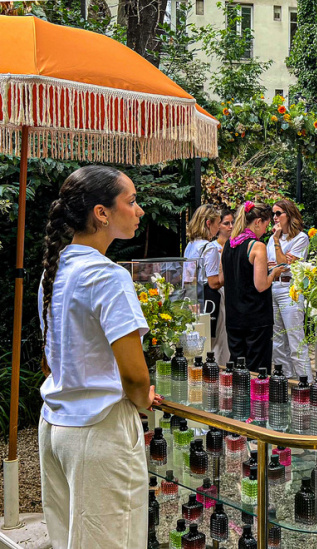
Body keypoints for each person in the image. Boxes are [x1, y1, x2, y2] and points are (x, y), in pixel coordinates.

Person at [38, 165, 162, 548]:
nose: (139, 210)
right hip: (99, 432)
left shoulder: (54, 271)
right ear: (101, 213)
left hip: (55, 427)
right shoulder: (108, 276)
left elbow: (50, 360)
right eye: (132, 201)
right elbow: (135, 376)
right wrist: (143, 399)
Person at [220, 201, 281, 373]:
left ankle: (237, 391)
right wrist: (273, 273)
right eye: (266, 225)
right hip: (256, 317)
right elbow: (261, 285)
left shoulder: (228, 245)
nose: (265, 231)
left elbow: (222, 278)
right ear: (257, 222)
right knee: (257, 370)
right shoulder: (257, 246)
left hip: (234, 317)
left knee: (237, 367)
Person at [266, 199, 311, 379]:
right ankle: (284, 380)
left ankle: (305, 382)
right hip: (273, 287)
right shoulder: (271, 239)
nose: (274, 217)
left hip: (290, 289)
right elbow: (272, 264)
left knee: (295, 339)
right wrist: (279, 262)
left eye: (278, 213)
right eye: (273, 214)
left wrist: (277, 244)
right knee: (277, 341)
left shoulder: (301, 238)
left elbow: (283, 265)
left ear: (289, 214)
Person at [184, 204, 221, 336]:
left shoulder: (190, 245)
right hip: (207, 300)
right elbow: (213, 282)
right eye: (218, 223)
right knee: (211, 338)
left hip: (191, 297)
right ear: (208, 223)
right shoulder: (210, 248)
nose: (219, 227)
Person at [209, 209, 234, 365]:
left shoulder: (235, 245)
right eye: (226, 223)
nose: (230, 226)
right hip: (218, 293)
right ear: (218, 226)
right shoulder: (212, 247)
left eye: (232, 223)